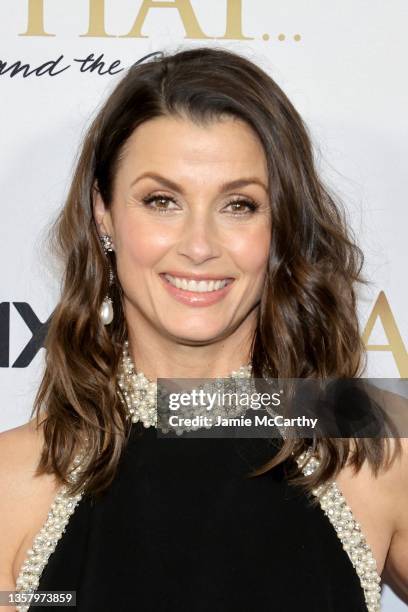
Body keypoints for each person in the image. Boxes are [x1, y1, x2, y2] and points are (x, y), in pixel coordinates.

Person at [0, 46, 407, 612]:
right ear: (104, 213)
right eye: (161, 200)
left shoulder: (373, 449)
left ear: (282, 225)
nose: (198, 246)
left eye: (239, 205)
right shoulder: (11, 485)